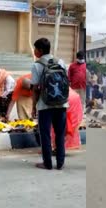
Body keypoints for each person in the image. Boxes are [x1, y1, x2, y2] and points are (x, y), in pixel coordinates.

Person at [31, 38, 68, 170]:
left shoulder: (36, 65)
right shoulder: (61, 62)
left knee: (45, 134)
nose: (34, 51)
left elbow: (35, 88)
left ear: (40, 51)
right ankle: (60, 162)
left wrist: (33, 107)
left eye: (35, 49)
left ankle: (47, 163)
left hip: (45, 105)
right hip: (61, 104)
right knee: (60, 134)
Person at [51, 88, 83, 152]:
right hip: (71, 98)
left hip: (58, 99)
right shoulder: (74, 94)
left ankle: (57, 147)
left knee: (55, 125)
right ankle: (62, 146)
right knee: (69, 124)